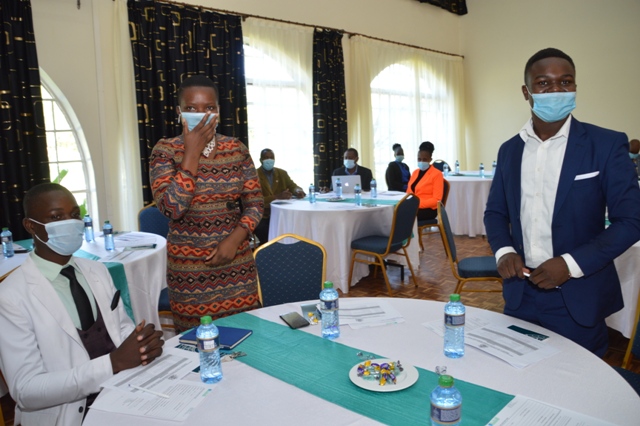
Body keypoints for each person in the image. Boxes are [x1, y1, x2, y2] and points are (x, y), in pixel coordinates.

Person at [484, 48, 640, 357]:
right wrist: (504, 251)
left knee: (579, 382)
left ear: (575, 87)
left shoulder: (605, 144)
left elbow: (631, 220)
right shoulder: (510, 150)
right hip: (520, 293)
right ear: (527, 92)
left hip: (578, 297)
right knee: (518, 376)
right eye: (544, 83)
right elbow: (495, 212)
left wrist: (570, 264)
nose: (556, 90)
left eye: (565, 82)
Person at [0, 183, 164, 426]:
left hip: (123, 394)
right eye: (56, 217)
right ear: (30, 226)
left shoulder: (97, 270)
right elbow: (26, 390)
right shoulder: (11, 296)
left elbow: (119, 328)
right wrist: (113, 363)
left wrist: (141, 345)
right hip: (66, 414)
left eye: (74, 214)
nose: (70, 222)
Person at [150, 75, 263, 332]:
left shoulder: (236, 149)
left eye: (209, 107)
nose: (201, 114)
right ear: (179, 112)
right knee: (198, 344)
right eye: (191, 108)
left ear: (218, 111)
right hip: (190, 274)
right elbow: (172, 208)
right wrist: (192, 152)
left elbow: (255, 204)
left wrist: (234, 240)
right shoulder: (165, 151)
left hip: (237, 266)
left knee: (247, 338)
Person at [254, 148, 305, 245]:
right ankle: (268, 251)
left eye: (271, 157)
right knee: (265, 234)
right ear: (261, 160)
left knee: (296, 227)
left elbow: (293, 186)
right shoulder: (254, 175)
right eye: (266, 158)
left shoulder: (282, 173)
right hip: (263, 215)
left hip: (282, 214)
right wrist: (277, 197)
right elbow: (255, 200)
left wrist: (298, 191)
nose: (269, 160)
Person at [406, 141, 444, 220]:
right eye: (419, 159)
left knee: (404, 215)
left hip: (429, 209)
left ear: (430, 159)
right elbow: (409, 192)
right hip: (414, 206)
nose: (421, 161)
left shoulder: (437, 174)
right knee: (396, 212)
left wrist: (417, 204)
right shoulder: (415, 172)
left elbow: (436, 199)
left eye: (424, 159)